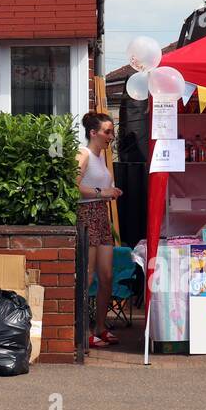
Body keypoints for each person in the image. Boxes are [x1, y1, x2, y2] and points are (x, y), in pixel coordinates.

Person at [77, 112, 122, 349]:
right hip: (87, 214)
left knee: (106, 276)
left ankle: (100, 327)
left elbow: (102, 187)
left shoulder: (102, 158)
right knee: (88, 275)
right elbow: (73, 187)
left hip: (102, 215)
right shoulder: (83, 154)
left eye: (112, 131)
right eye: (107, 131)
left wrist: (110, 191)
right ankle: (82, 332)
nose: (111, 136)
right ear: (93, 133)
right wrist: (101, 193)